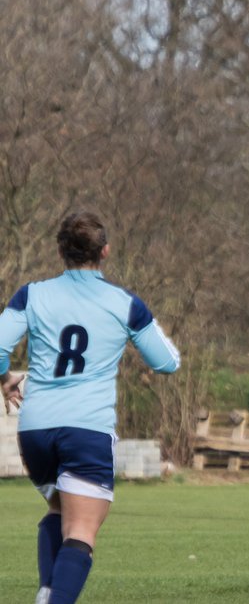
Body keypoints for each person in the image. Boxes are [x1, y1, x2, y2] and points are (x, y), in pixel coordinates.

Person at [0, 210, 181, 604]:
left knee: (57, 509)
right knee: (81, 531)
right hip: (86, 430)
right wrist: (141, 322)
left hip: (36, 429)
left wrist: (4, 378)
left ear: (60, 251)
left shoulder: (31, 294)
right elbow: (167, 362)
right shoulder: (123, 303)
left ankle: (47, 593)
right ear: (105, 251)